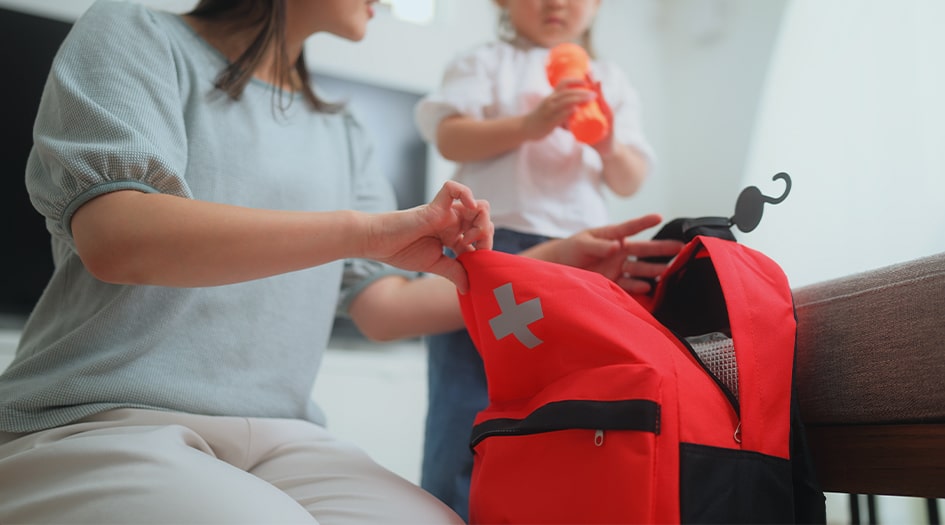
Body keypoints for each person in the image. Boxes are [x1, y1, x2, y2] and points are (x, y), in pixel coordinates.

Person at [0, 1, 681, 523]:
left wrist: (555, 263)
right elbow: (119, 237)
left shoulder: (344, 133)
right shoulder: (134, 34)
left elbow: (381, 309)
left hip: (284, 436)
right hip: (98, 416)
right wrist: (362, 231)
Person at [413, 0, 656, 518]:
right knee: (466, 397)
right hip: (491, 248)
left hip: (577, 258)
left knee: (565, 398)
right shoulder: (488, 59)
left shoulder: (609, 79)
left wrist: (609, 140)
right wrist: (531, 123)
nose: (556, 3)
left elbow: (629, 178)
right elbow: (449, 133)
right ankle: (449, 508)